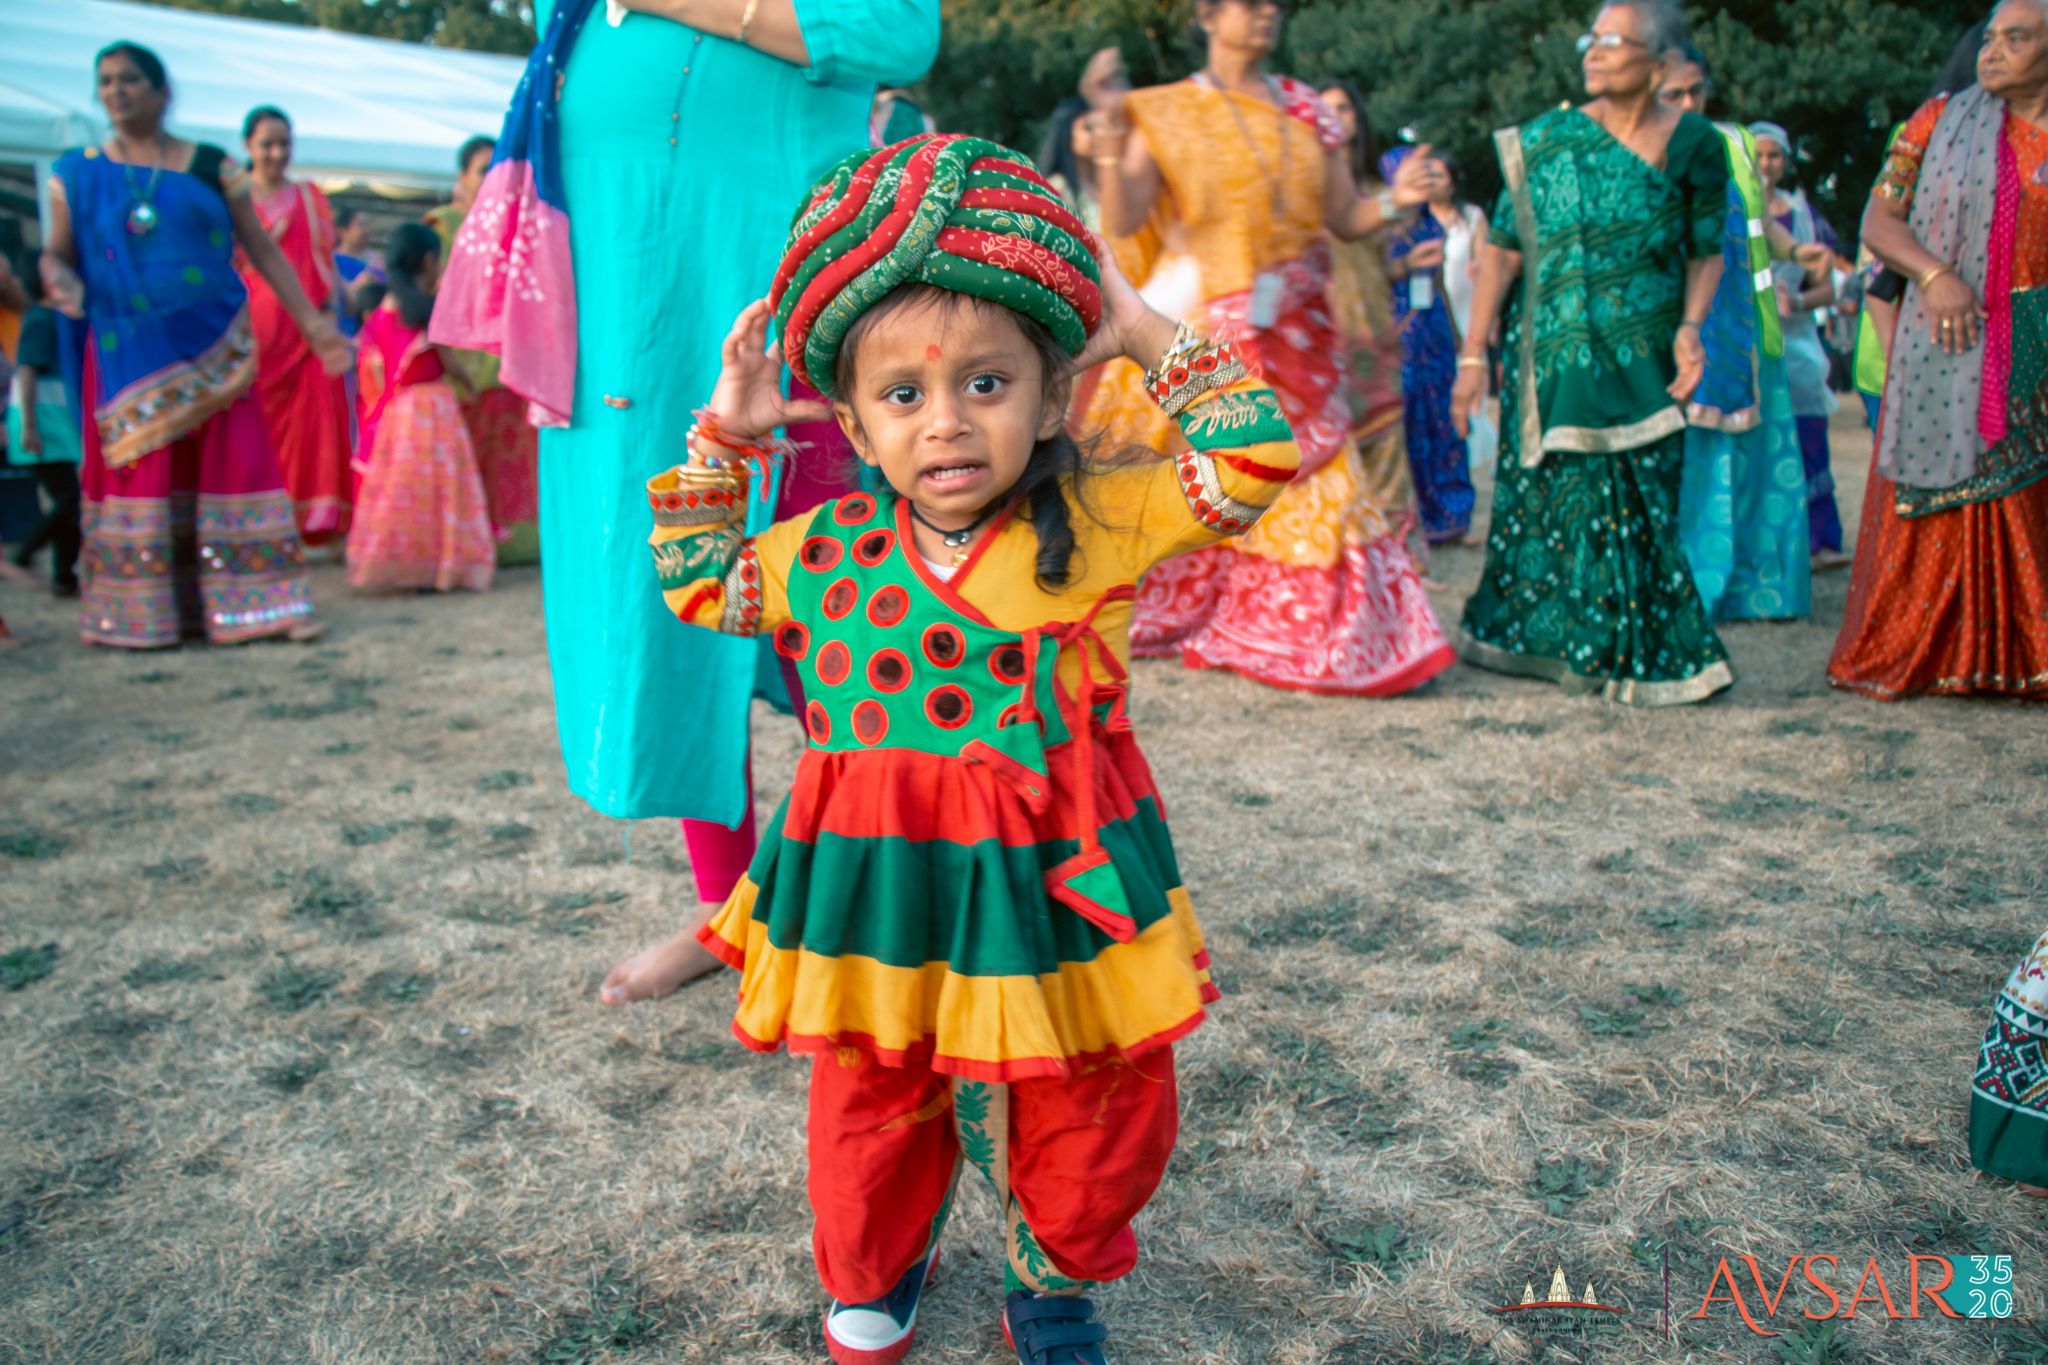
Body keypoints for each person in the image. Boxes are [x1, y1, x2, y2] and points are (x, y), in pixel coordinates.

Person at [620, 132, 1301, 1365]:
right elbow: (695, 580)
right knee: (872, 1094)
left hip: (1058, 883)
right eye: (903, 396)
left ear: (1052, 394)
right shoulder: (817, 551)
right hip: (877, 888)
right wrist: (726, 433)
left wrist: (1140, 326)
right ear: (849, 423)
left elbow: (1254, 461)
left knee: (1090, 1097)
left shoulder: (1097, 519)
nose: (945, 423)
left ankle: (1051, 1281)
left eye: (987, 384)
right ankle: (873, 1272)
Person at [435, 0, 940, 995]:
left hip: (774, 287)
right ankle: (732, 915)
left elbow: (895, 36)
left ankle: (921, 891)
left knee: (843, 603)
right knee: (672, 594)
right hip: (626, 315)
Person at [1083, 0, 1455, 695]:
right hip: (1219, 328)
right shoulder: (1169, 111)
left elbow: (1346, 218)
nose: (1267, 15)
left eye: (1275, 6)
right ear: (1207, 15)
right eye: (1250, 4)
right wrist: (1107, 145)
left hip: (1304, 330)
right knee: (1238, 471)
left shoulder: (1308, 110)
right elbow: (1125, 217)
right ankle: (1219, 611)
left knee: (1327, 479)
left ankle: (1343, 632)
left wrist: (1398, 199)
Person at [1450, 0, 1733, 705]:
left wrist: (1692, 327)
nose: (1595, 51)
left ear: (1660, 63)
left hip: (1645, 356)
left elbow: (1705, 252)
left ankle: (1638, 645)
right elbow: (1502, 254)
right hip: (1549, 357)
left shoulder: (1698, 143)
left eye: (1615, 40)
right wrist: (1472, 357)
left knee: (1643, 500)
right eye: (1591, 39)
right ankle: (1556, 644)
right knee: (1555, 502)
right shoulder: (1547, 142)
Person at [42, 42, 347, 649]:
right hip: (128, 347)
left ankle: (259, 607)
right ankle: (142, 613)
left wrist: (316, 327)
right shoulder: (75, 173)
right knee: (143, 468)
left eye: (129, 80)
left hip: (216, 346)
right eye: (105, 82)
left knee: (234, 464)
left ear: (162, 92)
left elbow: (261, 250)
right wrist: (61, 278)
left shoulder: (213, 166)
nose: (115, 91)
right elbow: (58, 251)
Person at [1828, 0, 2048, 701]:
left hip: (2038, 337)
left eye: (2017, 38)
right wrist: (1935, 274)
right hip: (1952, 336)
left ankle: (2026, 654)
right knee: (1954, 493)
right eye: (1989, 37)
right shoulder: (1937, 123)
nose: (1993, 50)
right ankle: (1942, 650)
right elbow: (1878, 221)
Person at [1658, 44, 1814, 621]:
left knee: (1756, 468)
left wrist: (1797, 249)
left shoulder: (1735, 142)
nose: (1689, 103)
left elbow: (1758, 221)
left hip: (1747, 333)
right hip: (1674, 335)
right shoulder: (1634, 145)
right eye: (1673, 93)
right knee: (1688, 460)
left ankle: (1757, 588)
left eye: (1695, 91)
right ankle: (1688, 583)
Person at [346, 225, 494, 595]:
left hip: (399, 413)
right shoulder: (427, 311)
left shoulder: (380, 313)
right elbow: (446, 359)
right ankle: (444, 567)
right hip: (435, 408)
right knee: (442, 491)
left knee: (402, 492)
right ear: (429, 262)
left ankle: (402, 566)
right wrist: (468, 383)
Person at [238, 106, 355, 545]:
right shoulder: (237, 200)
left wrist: (329, 313)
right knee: (259, 428)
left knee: (317, 426)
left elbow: (323, 261)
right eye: (267, 144)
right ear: (248, 146)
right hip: (256, 333)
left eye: (284, 143)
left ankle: (315, 522)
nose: (276, 153)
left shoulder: (310, 197)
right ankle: (263, 520)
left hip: (309, 332)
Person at [1318, 79, 1423, 561]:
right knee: (1331, 462)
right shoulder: (1304, 190)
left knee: (1387, 455)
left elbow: (1379, 268)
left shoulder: (1380, 193)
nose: (1337, 115)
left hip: (1373, 339)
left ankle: (1400, 566)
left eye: (1345, 107)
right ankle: (1346, 570)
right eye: (1327, 108)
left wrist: (1409, 267)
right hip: (1319, 346)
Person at [423, 133, 539, 566]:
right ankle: (464, 546)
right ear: (462, 177)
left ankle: (513, 545)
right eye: (481, 169)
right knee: (466, 457)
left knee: (510, 456)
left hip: (512, 363)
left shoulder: (521, 225)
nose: (492, 178)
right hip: (462, 364)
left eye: (498, 169)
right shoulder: (444, 224)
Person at [1749, 121, 1848, 570]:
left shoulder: (1804, 217)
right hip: (1749, 345)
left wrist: (1800, 300)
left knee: (1809, 442)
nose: (1766, 164)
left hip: (1799, 344)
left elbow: (1828, 288)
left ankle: (1821, 540)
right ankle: (1772, 545)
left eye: (1774, 156)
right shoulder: (1733, 210)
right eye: (1759, 154)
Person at [1385, 143, 1477, 544]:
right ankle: (1411, 525)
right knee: (1404, 426)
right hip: (1393, 333)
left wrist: (1459, 337)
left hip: (1432, 335)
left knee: (1444, 423)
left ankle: (1451, 517)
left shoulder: (1432, 226)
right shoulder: (1374, 226)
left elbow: (1437, 284)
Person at [4, 258, 83, 596]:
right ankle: (26, 551)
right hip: (41, 417)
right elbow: (27, 370)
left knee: (68, 499)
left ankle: (63, 576)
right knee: (70, 498)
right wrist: (30, 427)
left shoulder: (58, 320)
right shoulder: (40, 319)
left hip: (56, 416)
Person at [332, 206, 380, 340]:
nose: (367, 230)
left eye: (368, 225)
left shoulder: (376, 261)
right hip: (344, 333)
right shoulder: (332, 262)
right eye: (361, 225)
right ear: (342, 231)